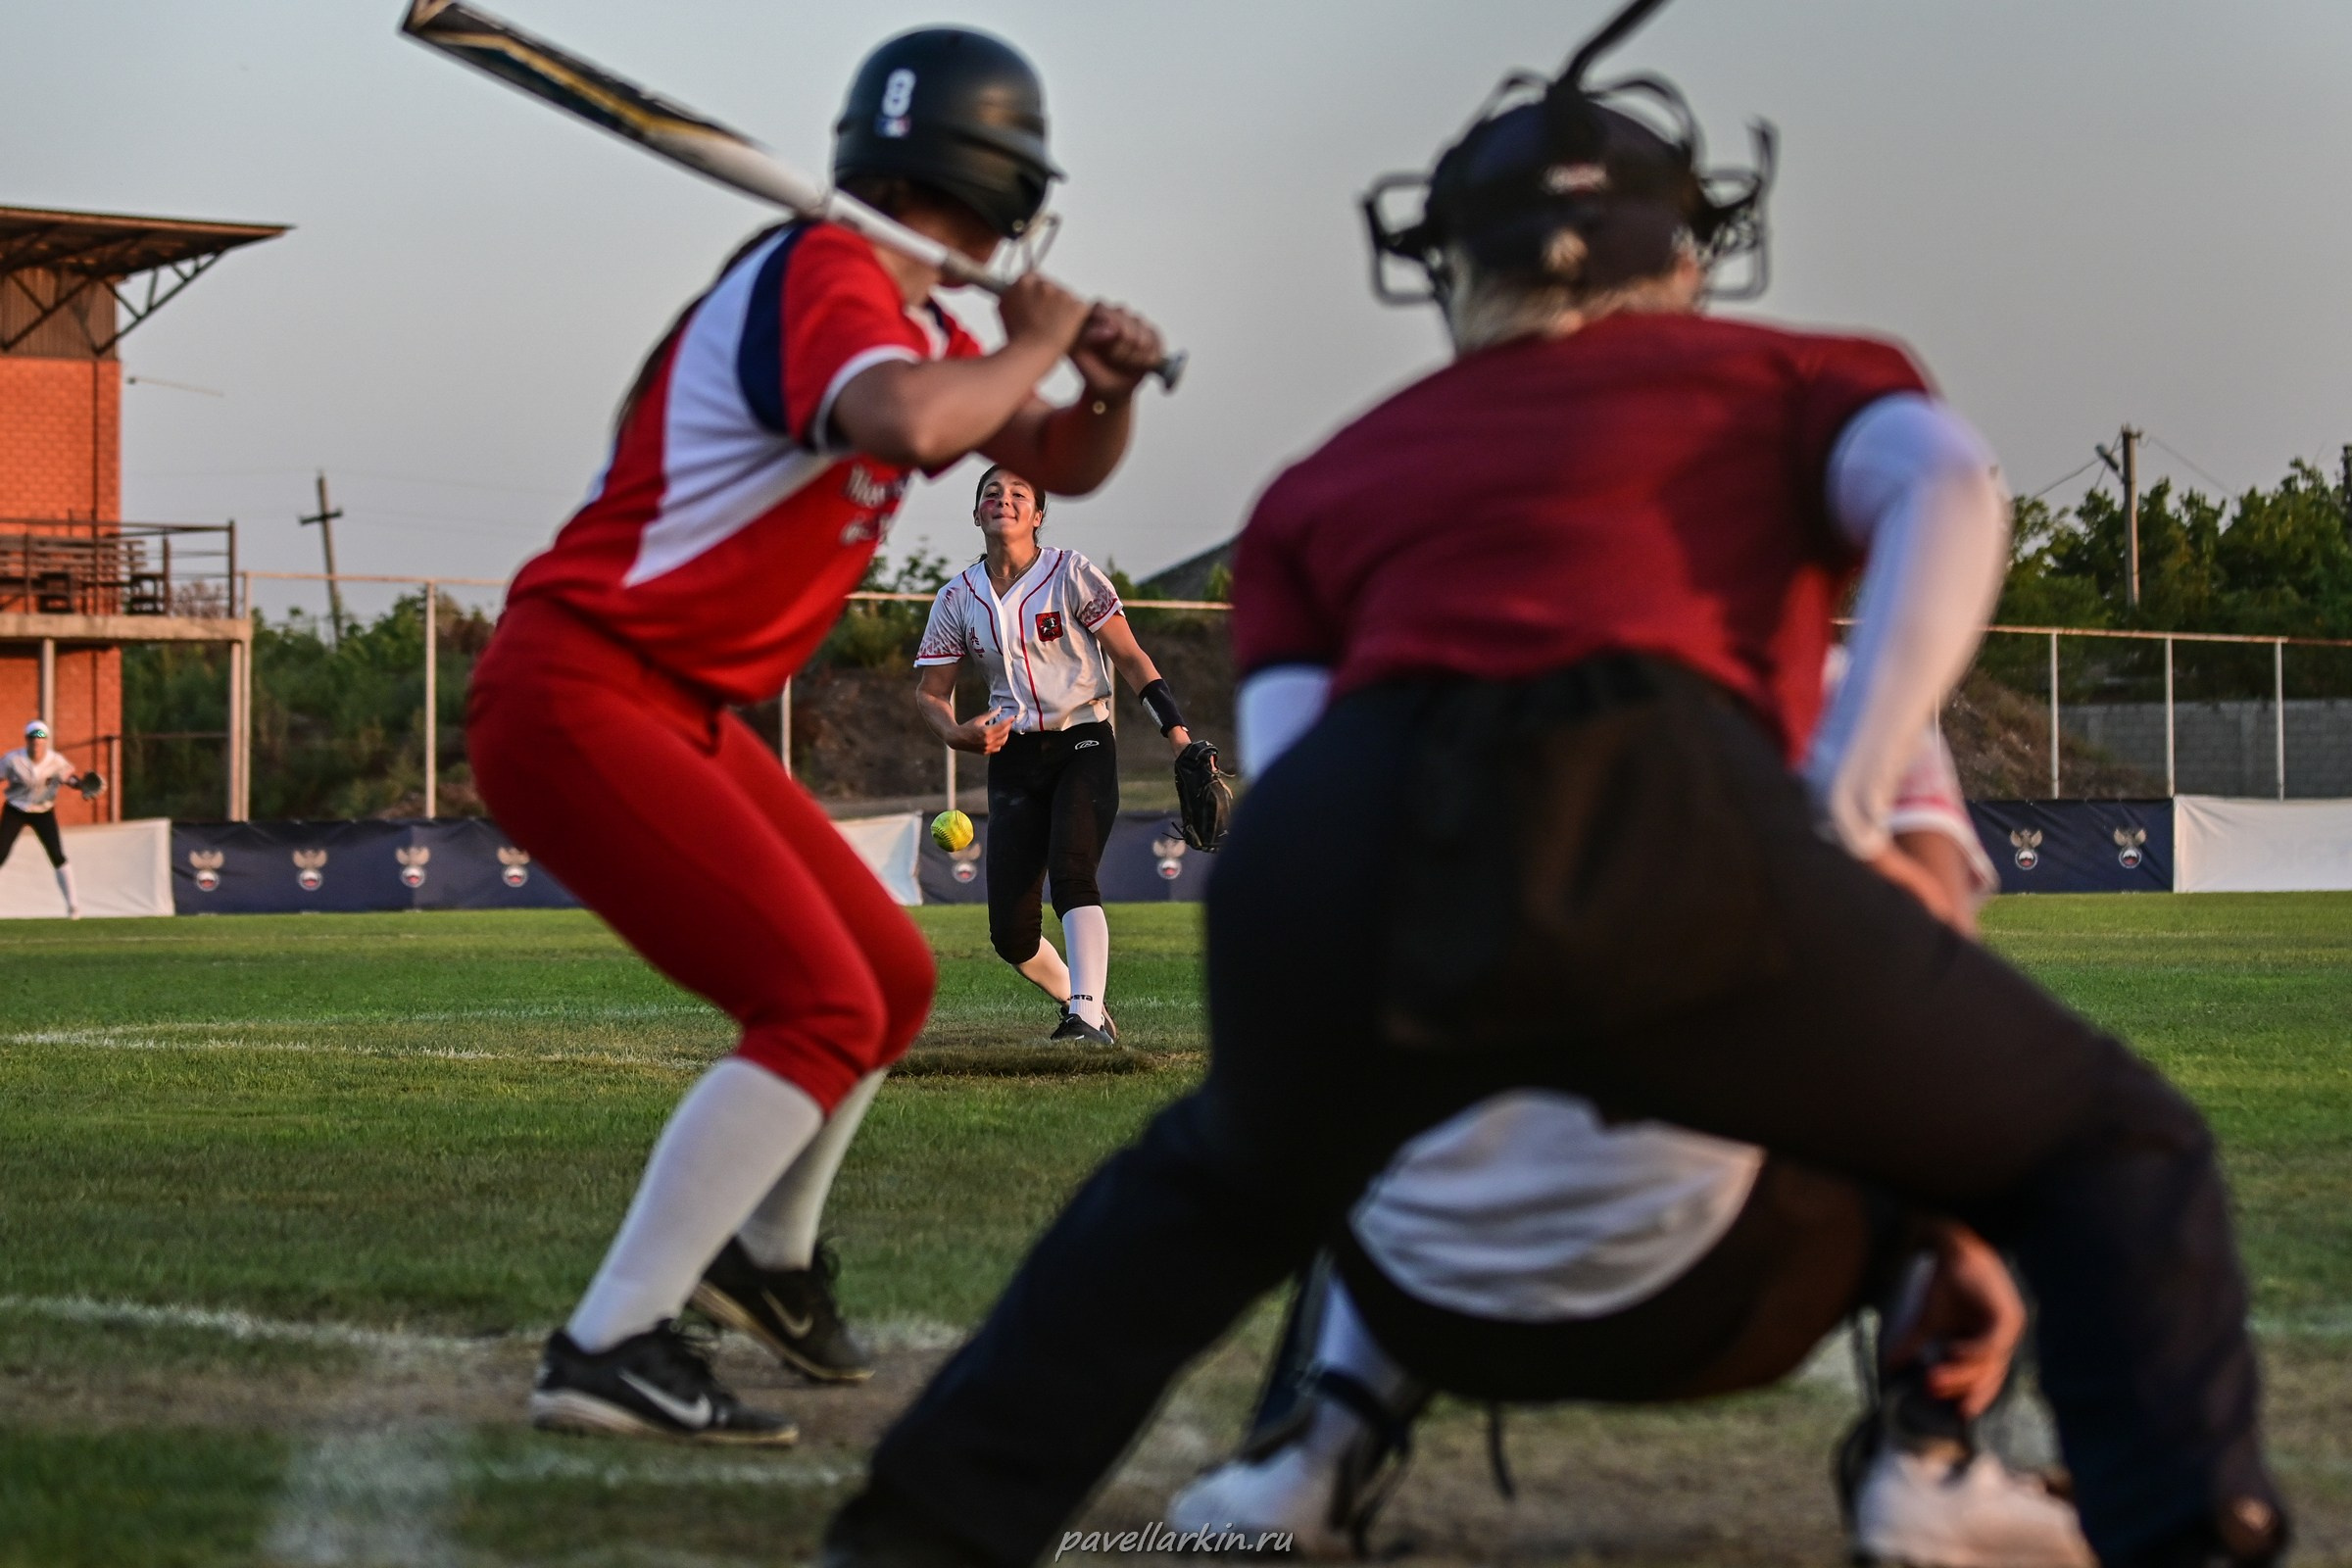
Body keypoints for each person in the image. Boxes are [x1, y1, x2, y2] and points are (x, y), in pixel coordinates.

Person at [824, 7, 2282, 1564]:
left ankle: (944, 1531)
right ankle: (2028, 1480)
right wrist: (1848, 802)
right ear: (1689, 251)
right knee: (2112, 1145)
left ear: (1455, 264)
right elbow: (1948, 488)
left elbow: (1312, 787)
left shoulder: (1332, 475)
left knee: (1205, 1191)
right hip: (1677, 817)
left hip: (1364, 861)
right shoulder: (1788, 380)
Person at [465, 25, 1166, 1443]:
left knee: (887, 982)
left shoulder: (924, 324)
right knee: (822, 1004)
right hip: (582, 686)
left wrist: (1105, 384)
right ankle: (608, 1343)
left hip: (666, 701)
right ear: (999, 182)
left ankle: (766, 1264)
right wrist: (1040, 338)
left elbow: (1056, 457)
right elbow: (902, 422)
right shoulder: (827, 275)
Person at [1167, 703, 2095, 1568]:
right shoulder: (1854, 694)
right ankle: (1928, 1458)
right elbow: (1937, 992)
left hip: (1438, 1293)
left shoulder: (1425, 692)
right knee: (1983, 1079)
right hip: (1724, 1290)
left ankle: (1320, 1448)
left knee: (1374, 1089)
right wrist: (1955, 1231)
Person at [913, 465, 1198, 1044]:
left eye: (1019, 493)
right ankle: (1082, 1002)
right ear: (976, 513)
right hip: (1013, 755)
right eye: (991, 492)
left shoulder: (1071, 573)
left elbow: (1132, 658)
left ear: (1038, 515)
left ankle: (1085, 1018)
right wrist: (956, 733)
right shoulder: (956, 597)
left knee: (1072, 873)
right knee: (1011, 934)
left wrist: (1179, 736)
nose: (1004, 499)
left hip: (1083, 741)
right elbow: (930, 694)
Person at [2, 719, 83, 918]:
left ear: (46, 740)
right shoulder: (13, 759)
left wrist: (81, 785)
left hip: (43, 811)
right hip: (16, 808)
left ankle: (73, 906)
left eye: (40, 737)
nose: (36, 741)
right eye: (32, 737)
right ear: (26, 739)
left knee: (57, 854)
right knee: (0, 853)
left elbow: (69, 778)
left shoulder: (56, 761)